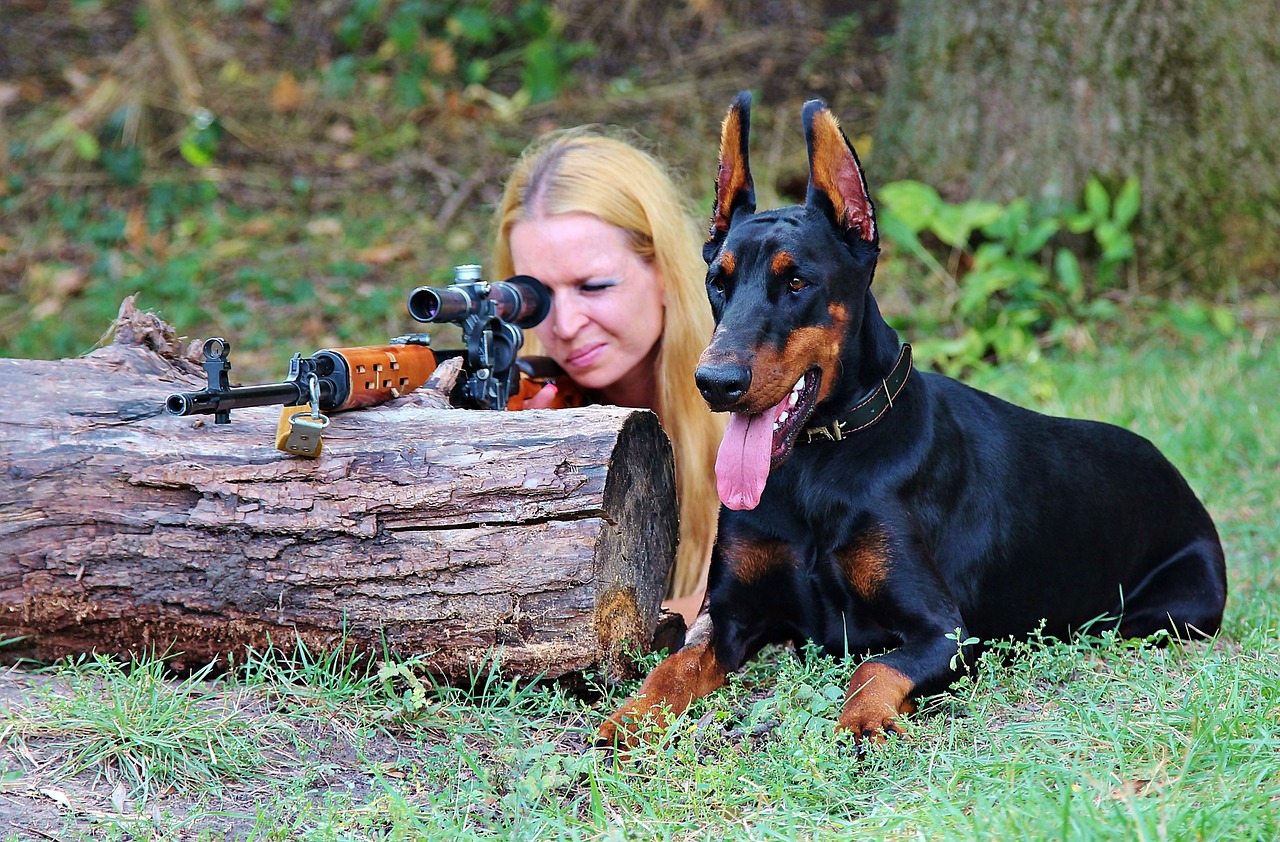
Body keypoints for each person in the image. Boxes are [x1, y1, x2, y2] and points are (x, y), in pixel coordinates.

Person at [491, 127, 723, 624]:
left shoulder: (749, 390)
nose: (567, 326)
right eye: (537, 297)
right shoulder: (529, 396)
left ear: (665, 271)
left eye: (594, 286)